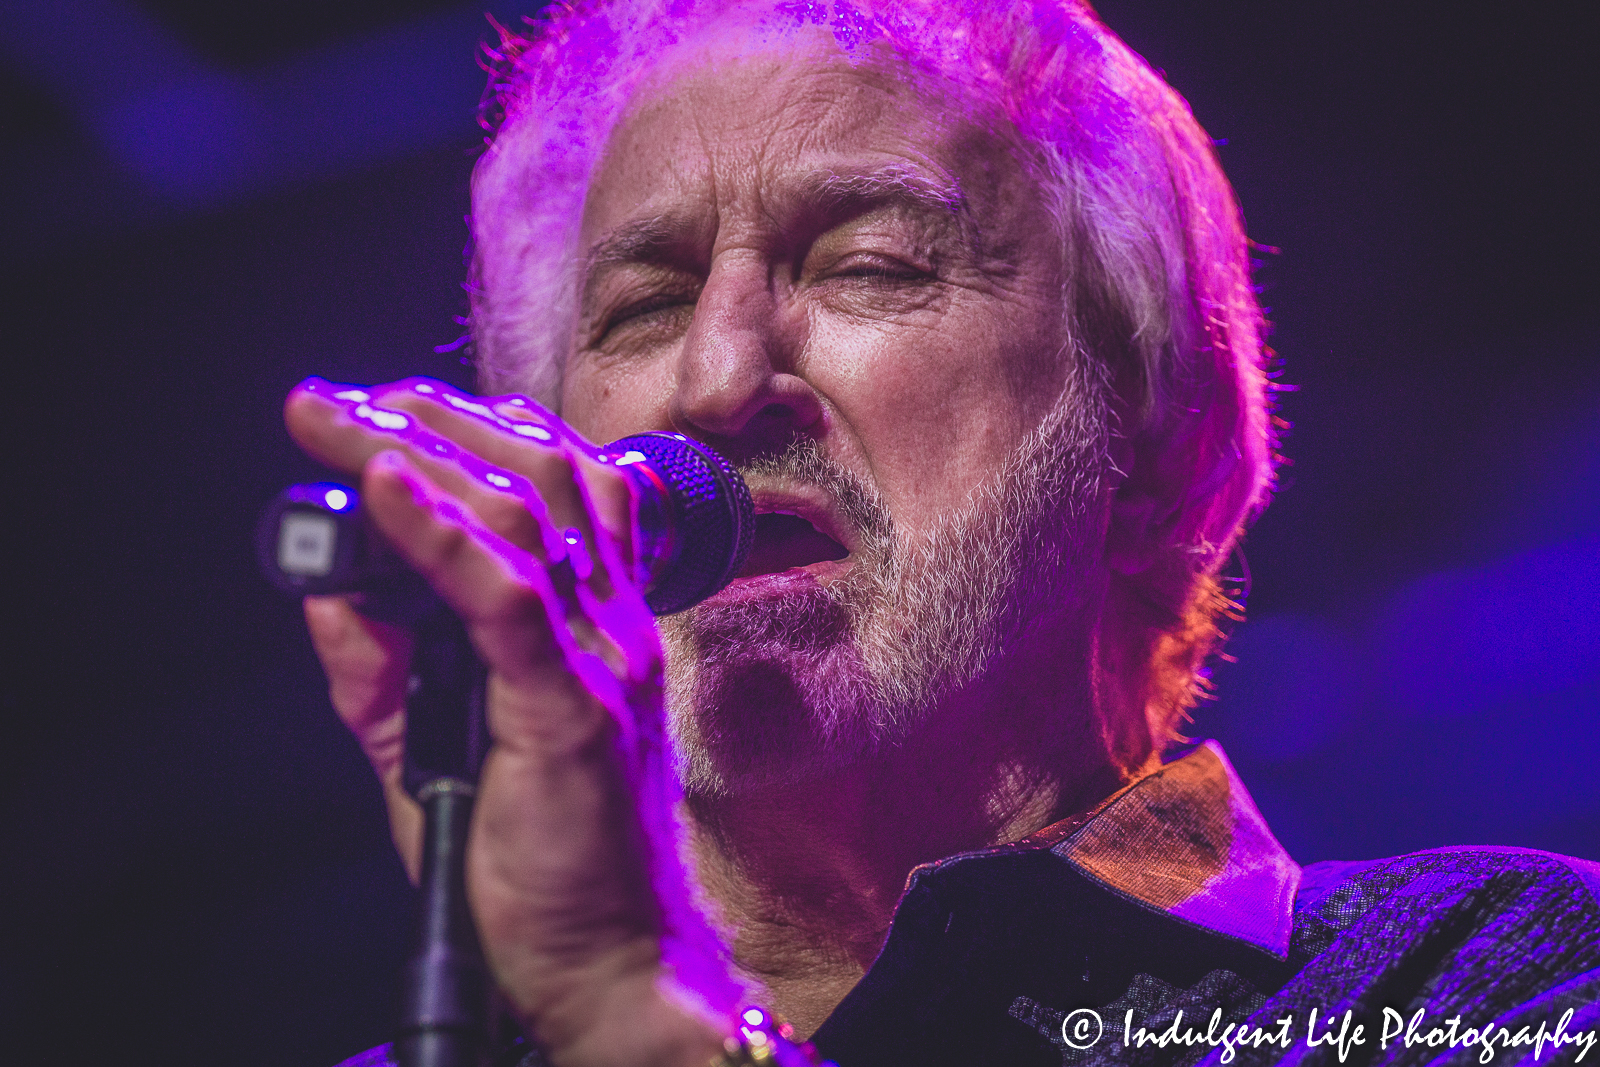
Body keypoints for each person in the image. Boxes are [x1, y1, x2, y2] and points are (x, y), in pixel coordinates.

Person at [283, 1, 1600, 1065]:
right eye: (645, 306)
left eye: (869, 266)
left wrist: (646, 1020)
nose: (716, 380)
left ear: (1141, 417)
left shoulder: (1474, 989)